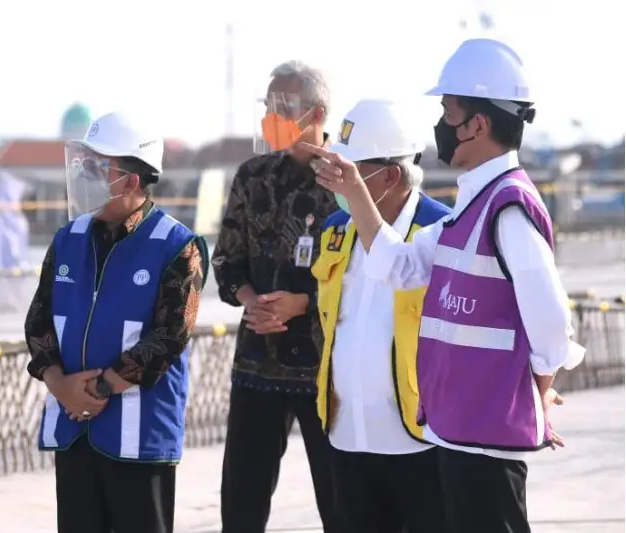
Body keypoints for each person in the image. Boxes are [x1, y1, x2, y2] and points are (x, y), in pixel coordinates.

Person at [301, 38, 586, 533]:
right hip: (459, 434)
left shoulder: (508, 208)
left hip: (487, 442)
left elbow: (553, 325)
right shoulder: (470, 208)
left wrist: (535, 393)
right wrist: (356, 191)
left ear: (478, 124)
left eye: (448, 112)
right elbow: (396, 265)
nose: (441, 126)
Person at [24, 111, 209, 533]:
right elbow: (38, 321)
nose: (84, 176)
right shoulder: (67, 239)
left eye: (97, 167)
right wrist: (59, 384)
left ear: (130, 181)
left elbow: (171, 335)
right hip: (73, 430)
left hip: (141, 437)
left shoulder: (178, 246)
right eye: (83, 164)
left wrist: (103, 388)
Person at [212, 60, 342, 533]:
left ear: (317, 114)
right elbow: (226, 260)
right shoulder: (253, 177)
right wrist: (250, 298)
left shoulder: (347, 181)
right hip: (257, 364)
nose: (271, 117)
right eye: (268, 107)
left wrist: (302, 302)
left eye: (283, 107)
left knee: (343, 503)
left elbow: (364, 271)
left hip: (328, 372)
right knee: (241, 504)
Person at [312, 99, 451, 532]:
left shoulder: (442, 231)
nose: (335, 179)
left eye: (348, 171)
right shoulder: (336, 229)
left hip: (420, 439)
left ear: (389, 176)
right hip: (347, 434)